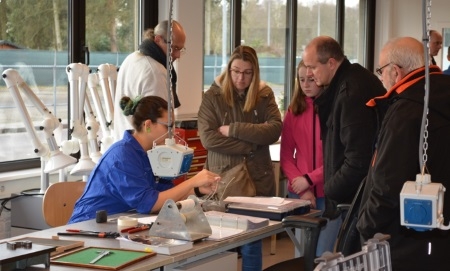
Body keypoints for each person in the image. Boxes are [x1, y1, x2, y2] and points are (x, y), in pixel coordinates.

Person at [357, 37, 450, 271]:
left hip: (403, 242)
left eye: (381, 71)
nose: (380, 79)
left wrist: (366, 227)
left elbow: (387, 184)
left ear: (395, 72)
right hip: (440, 237)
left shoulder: (406, 111)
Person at [69, 95, 219, 223]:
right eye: (168, 126)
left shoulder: (150, 154)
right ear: (148, 125)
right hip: (90, 225)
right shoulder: (122, 156)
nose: (173, 132)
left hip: (121, 221)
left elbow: (166, 194)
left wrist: (197, 189)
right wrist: (192, 181)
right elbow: (149, 203)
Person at [198, 45, 282, 271]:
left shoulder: (264, 95)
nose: (240, 78)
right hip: (222, 179)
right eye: (236, 71)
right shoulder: (212, 96)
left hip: (257, 179)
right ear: (228, 68)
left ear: (255, 73)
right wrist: (253, 142)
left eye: (247, 73)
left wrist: (233, 129)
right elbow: (209, 139)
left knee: (252, 244)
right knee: (218, 243)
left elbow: (274, 130)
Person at [301, 36, 386, 255]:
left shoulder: (350, 92)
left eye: (312, 67)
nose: (309, 73)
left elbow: (358, 160)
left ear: (331, 63)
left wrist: (331, 189)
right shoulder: (352, 80)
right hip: (363, 195)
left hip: (358, 200)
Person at [280, 59, 329, 256]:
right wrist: (302, 188)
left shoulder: (333, 109)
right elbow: (285, 156)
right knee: (302, 254)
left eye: (311, 79)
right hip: (299, 193)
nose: (306, 85)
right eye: (301, 80)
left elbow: (338, 159)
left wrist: (311, 179)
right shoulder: (293, 111)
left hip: (328, 192)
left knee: (322, 254)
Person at [113, 20, 186, 141]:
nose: (177, 55)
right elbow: (161, 123)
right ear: (158, 39)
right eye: (175, 48)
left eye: (181, 49)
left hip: (125, 142)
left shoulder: (131, 59)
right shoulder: (155, 71)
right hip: (145, 149)